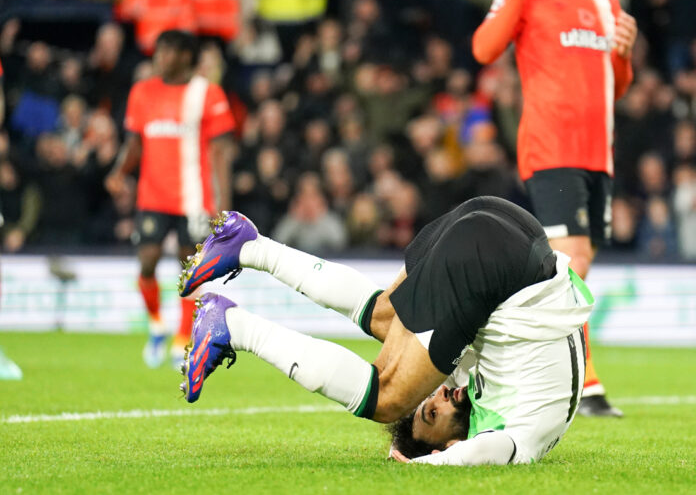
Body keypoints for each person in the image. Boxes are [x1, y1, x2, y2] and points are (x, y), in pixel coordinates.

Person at [178, 196, 593, 465]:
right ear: (452, 444)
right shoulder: (513, 433)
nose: (439, 395)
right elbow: (488, 451)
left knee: (385, 316)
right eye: (433, 412)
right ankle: (233, 326)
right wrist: (427, 464)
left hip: (500, 218)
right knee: (389, 398)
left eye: (430, 405)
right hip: (498, 258)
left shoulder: (494, 388)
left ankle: (250, 246)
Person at [471, 0, 637, 417]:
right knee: (574, 260)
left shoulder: (604, 1)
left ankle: (500, 335)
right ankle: (581, 381)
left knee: (571, 265)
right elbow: (484, 48)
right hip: (551, 145)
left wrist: (624, 57)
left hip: (598, 155)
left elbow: (617, 86)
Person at [105, 31, 235, 369]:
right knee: (147, 261)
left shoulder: (208, 93)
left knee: (188, 269)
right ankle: (157, 326)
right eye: (158, 50)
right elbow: (134, 143)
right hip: (153, 195)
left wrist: (223, 204)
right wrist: (119, 171)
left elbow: (221, 152)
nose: (159, 57)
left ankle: (181, 336)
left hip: (194, 199)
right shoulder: (142, 91)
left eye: (167, 51)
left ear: (185, 56)